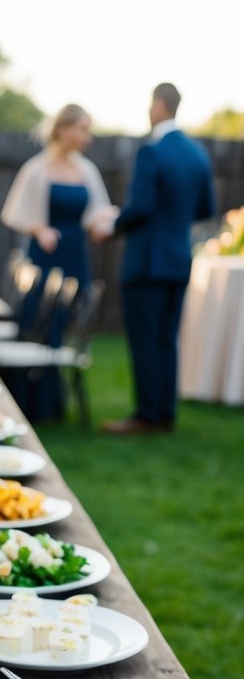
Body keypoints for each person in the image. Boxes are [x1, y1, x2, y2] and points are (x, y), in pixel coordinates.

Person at [101, 83, 216, 434]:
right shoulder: (198, 154)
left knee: (145, 339)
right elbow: (205, 209)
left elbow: (141, 208)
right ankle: (165, 413)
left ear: (159, 105)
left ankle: (146, 416)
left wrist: (113, 225)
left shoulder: (152, 151)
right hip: (179, 259)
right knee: (167, 339)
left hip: (147, 261)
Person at [0, 103, 114, 418]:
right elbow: (15, 212)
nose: (87, 137)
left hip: (75, 254)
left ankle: (54, 403)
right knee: (37, 319)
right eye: (82, 129)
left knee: (63, 322)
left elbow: (96, 215)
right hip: (45, 256)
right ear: (63, 130)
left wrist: (109, 221)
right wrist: (39, 229)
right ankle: (30, 400)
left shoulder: (87, 170)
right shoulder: (36, 169)